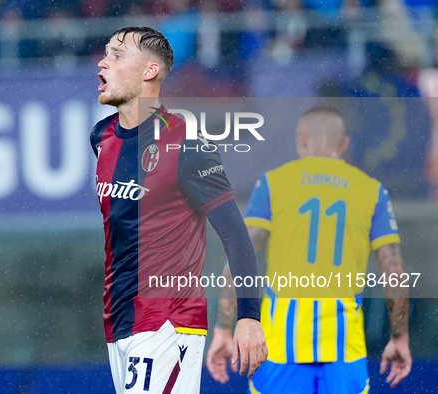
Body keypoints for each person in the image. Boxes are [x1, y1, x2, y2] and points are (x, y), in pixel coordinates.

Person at [90, 26, 267, 394]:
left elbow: (236, 234)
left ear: (149, 72)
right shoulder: (101, 137)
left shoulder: (188, 143)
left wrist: (249, 317)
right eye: (106, 53)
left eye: (117, 56)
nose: (103, 63)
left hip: (168, 322)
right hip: (118, 320)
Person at [206, 106, 411, 393]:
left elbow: (242, 255)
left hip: (278, 348)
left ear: (302, 139)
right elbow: (395, 271)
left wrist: (223, 328)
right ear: (344, 144)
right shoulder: (371, 190)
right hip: (345, 347)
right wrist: (399, 337)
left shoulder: (273, 183)